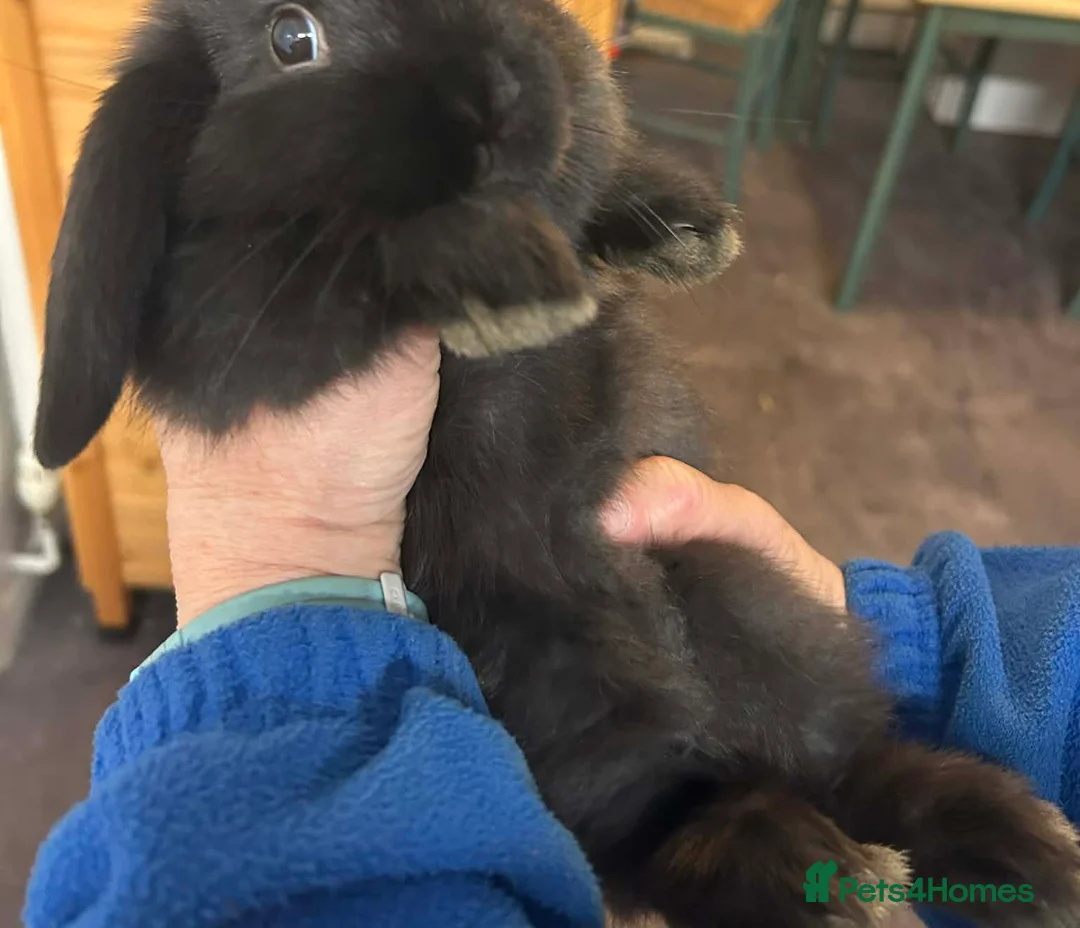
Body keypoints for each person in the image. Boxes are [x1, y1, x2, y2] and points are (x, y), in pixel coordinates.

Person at [25, 338, 1080, 926]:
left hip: (723, 684)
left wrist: (278, 566)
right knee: (948, 872)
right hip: (680, 724)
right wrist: (919, 650)